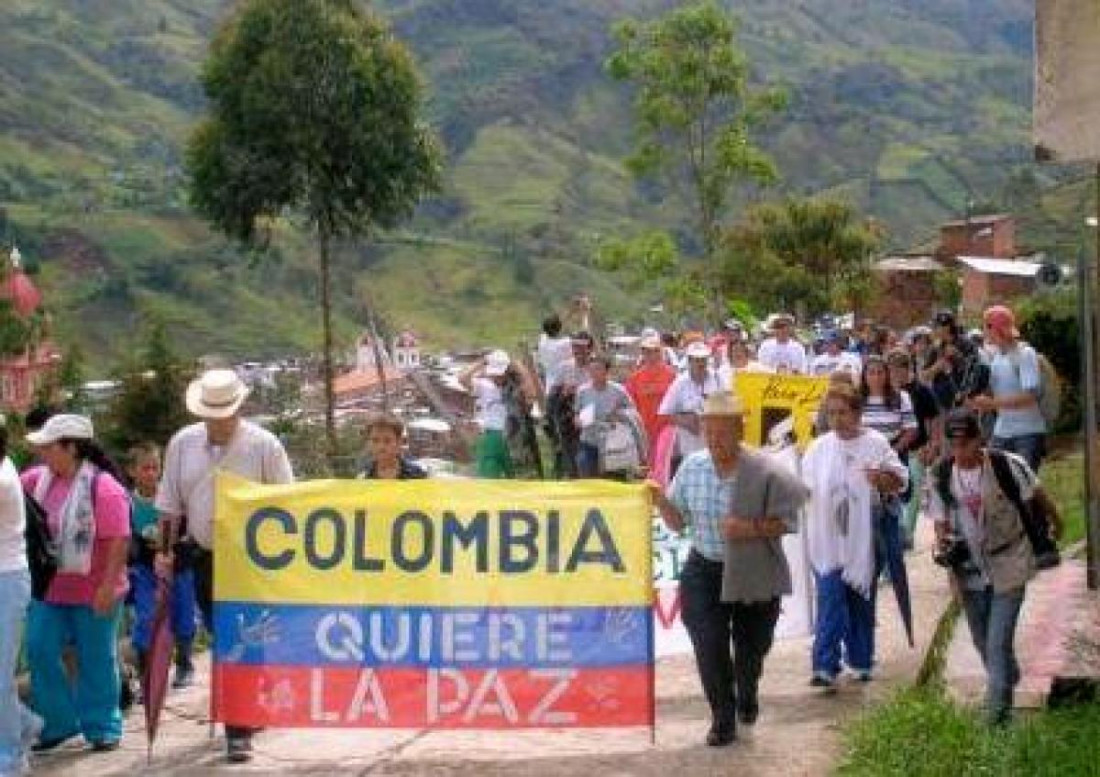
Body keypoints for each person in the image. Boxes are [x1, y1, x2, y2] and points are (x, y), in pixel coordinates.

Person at [649, 392, 809, 746]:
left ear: (739, 429)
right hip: (704, 570)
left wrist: (749, 529)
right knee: (709, 644)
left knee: (753, 648)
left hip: (753, 570)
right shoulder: (692, 467)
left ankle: (747, 688)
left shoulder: (764, 469)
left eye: (722, 431)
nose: (714, 439)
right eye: (708, 431)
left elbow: (788, 520)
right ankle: (723, 716)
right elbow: (677, 524)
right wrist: (660, 500)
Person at [155, 369, 294, 763]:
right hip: (205, 556)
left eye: (224, 411)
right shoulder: (182, 444)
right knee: (225, 636)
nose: (217, 419)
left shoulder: (264, 445)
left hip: (251, 559)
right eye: (210, 412)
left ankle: (238, 727)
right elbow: (169, 504)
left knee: (241, 638)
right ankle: (249, 702)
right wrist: (164, 551)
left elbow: (285, 503)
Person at [21, 415, 130, 753]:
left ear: (71, 448)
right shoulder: (38, 480)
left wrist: (108, 587)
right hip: (51, 588)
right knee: (39, 649)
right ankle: (59, 722)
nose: (42, 453)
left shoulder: (104, 487)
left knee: (96, 656)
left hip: (94, 588)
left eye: (49, 446)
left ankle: (102, 726)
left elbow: (118, 540)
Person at [927, 410, 1037, 724]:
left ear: (980, 439)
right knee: (981, 640)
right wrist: (950, 571)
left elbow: (1036, 496)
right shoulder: (941, 475)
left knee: (997, 641)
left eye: (966, 443)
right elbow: (940, 525)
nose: (959, 451)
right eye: (953, 444)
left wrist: (1050, 531)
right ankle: (1007, 676)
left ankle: (996, 715)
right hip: (969, 571)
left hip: (1009, 561)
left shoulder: (1006, 465)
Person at [802, 385, 907, 689]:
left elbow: (900, 481)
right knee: (830, 597)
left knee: (860, 599)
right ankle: (825, 664)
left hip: (864, 538)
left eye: (842, 413)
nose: (836, 419)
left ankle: (861, 660)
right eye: (831, 413)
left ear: (858, 413)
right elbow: (803, 486)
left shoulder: (875, 443)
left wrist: (881, 478)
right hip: (827, 539)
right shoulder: (818, 447)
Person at [125, 442, 197, 691]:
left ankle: (185, 664)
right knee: (146, 617)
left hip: (179, 566)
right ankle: (148, 674)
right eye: (145, 468)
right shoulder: (127, 502)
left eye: (156, 468)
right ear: (132, 471)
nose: (151, 473)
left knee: (184, 614)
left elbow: (189, 527)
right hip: (146, 570)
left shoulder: (174, 497)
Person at [1, 419, 41, 775]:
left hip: (7, 581)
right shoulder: (6, 463)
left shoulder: (0, 477)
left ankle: (12, 757)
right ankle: (25, 724)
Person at [968, 305, 1047, 472]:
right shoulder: (996, 357)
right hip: (1002, 431)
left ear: (994, 328)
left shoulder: (1025, 354)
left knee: (1024, 488)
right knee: (998, 482)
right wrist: (976, 398)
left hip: (1027, 433)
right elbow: (996, 392)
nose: (983, 331)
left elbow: (1030, 396)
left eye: (985, 326)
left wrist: (991, 404)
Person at [886, 349, 942, 549]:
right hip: (891, 449)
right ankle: (899, 530)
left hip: (916, 449)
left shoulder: (921, 390)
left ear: (906, 369)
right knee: (896, 491)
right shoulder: (885, 394)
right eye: (890, 370)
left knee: (913, 491)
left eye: (896, 370)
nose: (893, 375)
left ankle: (906, 533)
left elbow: (934, 418)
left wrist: (934, 444)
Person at [459, 349, 534, 479]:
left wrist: (518, 367)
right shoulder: (485, 386)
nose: (496, 377)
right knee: (489, 480)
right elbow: (462, 379)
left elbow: (530, 395)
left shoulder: (516, 389)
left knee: (517, 479)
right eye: (494, 374)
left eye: (499, 374)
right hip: (490, 436)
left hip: (513, 439)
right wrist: (482, 362)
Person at [658, 341, 722, 473]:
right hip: (689, 443)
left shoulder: (717, 378)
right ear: (689, 361)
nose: (700, 363)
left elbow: (729, 403)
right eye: (696, 360)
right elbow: (664, 413)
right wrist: (685, 421)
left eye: (703, 359)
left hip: (715, 440)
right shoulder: (680, 383)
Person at [575, 355, 639, 478]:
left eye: (598, 369)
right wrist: (578, 420)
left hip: (613, 445)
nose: (594, 373)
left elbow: (632, 412)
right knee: (588, 478)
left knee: (614, 480)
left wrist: (618, 415)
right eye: (591, 369)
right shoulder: (582, 391)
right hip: (589, 441)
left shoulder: (618, 390)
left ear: (607, 371)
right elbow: (577, 413)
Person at [921, 310, 990, 413]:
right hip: (941, 403)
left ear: (947, 327)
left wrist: (958, 357)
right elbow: (923, 376)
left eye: (936, 326)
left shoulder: (967, 344)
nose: (934, 330)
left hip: (964, 403)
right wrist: (937, 367)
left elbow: (976, 371)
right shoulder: (936, 347)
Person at [624, 335, 676, 467]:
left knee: (665, 467)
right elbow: (629, 406)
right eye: (646, 351)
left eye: (654, 350)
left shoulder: (672, 375)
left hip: (666, 429)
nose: (651, 354)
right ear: (642, 353)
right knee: (647, 468)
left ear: (660, 352)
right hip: (644, 431)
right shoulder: (635, 378)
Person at [360, 413, 427, 480]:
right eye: (375, 440)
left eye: (387, 441)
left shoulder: (418, 476)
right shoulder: (363, 479)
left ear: (399, 442)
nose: (381, 447)